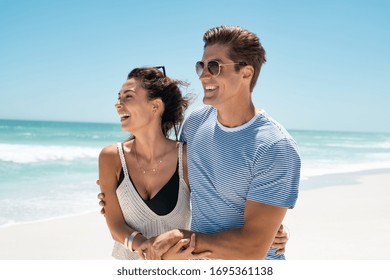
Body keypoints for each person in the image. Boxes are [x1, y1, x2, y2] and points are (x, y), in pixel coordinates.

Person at [98, 25, 296, 260]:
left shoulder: (275, 146)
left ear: (246, 73)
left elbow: (252, 248)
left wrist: (269, 232)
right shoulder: (195, 124)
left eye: (214, 66)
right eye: (201, 66)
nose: (203, 75)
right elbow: (178, 181)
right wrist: (118, 197)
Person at [98, 67, 209, 259]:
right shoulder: (111, 157)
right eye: (118, 97)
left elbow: (216, 208)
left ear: (155, 106)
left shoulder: (186, 157)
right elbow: (115, 226)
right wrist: (146, 246)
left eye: (128, 97)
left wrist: (271, 231)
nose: (118, 104)